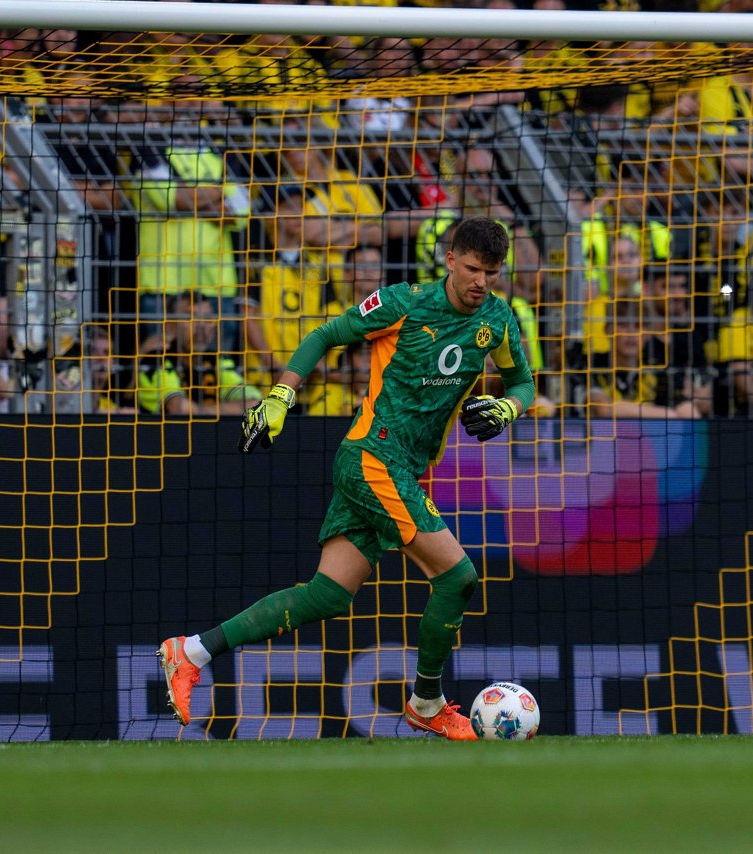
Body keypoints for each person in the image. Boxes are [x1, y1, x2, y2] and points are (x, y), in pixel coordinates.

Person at [157, 217, 535, 741]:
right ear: (450, 260)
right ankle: (428, 702)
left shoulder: (497, 318)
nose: (481, 283)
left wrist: (507, 408)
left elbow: (522, 380)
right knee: (457, 577)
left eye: (491, 273)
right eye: (473, 269)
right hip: (373, 457)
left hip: (400, 467)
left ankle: (190, 651)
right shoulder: (403, 304)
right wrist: (280, 397)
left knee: (327, 596)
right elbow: (325, 335)